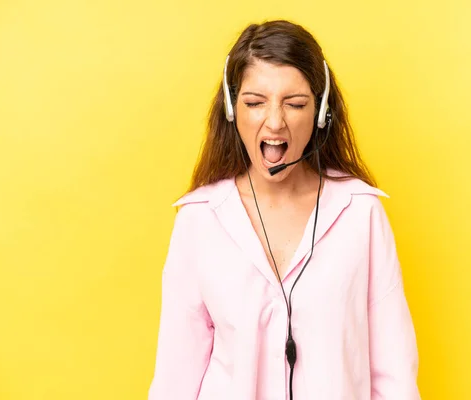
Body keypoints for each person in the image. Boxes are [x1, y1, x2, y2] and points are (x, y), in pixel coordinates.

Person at [148, 19, 420, 400]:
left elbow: (395, 377)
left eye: (294, 104)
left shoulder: (362, 214)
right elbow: (175, 378)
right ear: (231, 109)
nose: (274, 122)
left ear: (322, 112)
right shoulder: (199, 219)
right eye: (255, 103)